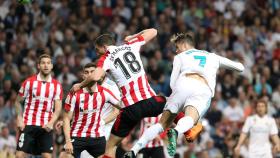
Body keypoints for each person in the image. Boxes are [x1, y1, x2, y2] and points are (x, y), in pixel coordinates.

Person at [70, 29, 202, 158]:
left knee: (110, 147)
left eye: (97, 49)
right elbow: (154, 31)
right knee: (172, 102)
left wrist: (80, 85)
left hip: (129, 110)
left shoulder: (105, 58)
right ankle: (189, 130)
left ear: (104, 47)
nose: (97, 53)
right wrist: (134, 35)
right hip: (149, 102)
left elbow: (95, 77)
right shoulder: (130, 45)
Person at [123, 32, 245, 158]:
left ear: (184, 44)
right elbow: (240, 67)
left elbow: (172, 83)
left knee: (161, 124)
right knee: (191, 120)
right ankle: (176, 132)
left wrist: (177, 98)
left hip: (182, 84)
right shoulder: (213, 56)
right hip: (202, 88)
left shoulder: (180, 57)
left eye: (177, 47)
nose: (176, 50)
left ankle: (134, 150)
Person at [62, 63, 121, 158]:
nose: (90, 74)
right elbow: (66, 118)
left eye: (92, 72)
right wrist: (68, 141)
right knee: (64, 156)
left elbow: (122, 107)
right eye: (86, 72)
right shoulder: (74, 93)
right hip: (77, 135)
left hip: (97, 137)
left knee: (110, 153)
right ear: (83, 75)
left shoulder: (105, 92)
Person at [15, 53, 63, 158]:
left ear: (52, 66)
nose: (46, 65)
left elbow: (58, 108)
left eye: (48, 63)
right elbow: (18, 102)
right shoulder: (29, 82)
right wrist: (19, 118)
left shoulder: (57, 86)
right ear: (38, 66)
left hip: (45, 126)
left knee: (47, 156)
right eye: (43, 63)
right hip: (28, 124)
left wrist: (51, 123)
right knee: (19, 155)